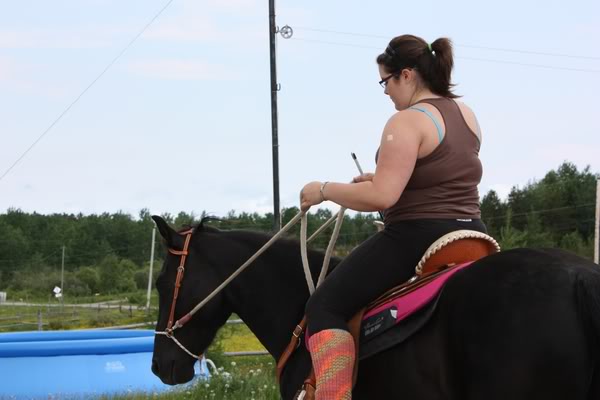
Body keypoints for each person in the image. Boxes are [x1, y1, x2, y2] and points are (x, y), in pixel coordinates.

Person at [299, 34, 488, 399]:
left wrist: (323, 189)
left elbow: (382, 196)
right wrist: (382, 178)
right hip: (473, 234)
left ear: (406, 74)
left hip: (418, 236)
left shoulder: (406, 121)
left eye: (385, 81)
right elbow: (443, 174)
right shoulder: (466, 115)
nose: (385, 92)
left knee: (324, 306)